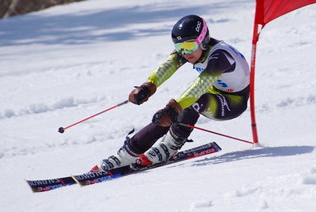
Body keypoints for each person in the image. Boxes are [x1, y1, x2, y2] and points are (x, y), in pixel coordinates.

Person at [97, 15, 249, 170]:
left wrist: (173, 109)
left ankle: (169, 146)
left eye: (189, 46)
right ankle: (127, 154)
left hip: (233, 102)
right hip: (214, 92)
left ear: (203, 39)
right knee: (174, 110)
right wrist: (148, 87)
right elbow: (168, 66)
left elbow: (200, 85)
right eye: (179, 48)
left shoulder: (221, 56)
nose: (185, 53)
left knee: (187, 104)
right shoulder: (191, 50)